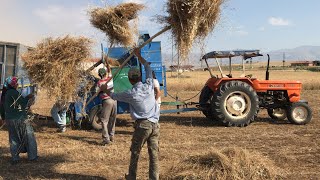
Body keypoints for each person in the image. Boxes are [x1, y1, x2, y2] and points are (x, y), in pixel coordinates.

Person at [103, 49, 160, 180]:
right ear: (140, 77)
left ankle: (132, 177)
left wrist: (103, 88)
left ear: (130, 80)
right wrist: (139, 56)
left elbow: (112, 95)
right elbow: (148, 68)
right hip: (155, 125)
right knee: (154, 154)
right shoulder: (149, 85)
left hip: (143, 126)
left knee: (135, 152)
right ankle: (154, 178)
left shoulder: (130, 94)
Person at [4, 76, 38, 165]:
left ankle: (15, 158)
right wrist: (29, 97)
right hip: (19, 119)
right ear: (13, 84)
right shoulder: (13, 92)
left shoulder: (6, 93)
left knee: (13, 138)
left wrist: (3, 118)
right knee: (29, 136)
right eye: (16, 83)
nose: (18, 84)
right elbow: (23, 104)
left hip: (10, 119)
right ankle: (32, 157)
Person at [96, 61, 117, 145]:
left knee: (104, 120)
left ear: (99, 75)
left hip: (107, 101)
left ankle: (106, 139)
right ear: (105, 74)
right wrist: (107, 64)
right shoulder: (110, 79)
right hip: (114, 100)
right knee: (113, 119)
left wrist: (99, 91)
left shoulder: (99, 83)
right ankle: (112, 135)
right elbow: (110, 71)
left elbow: (96, 93)